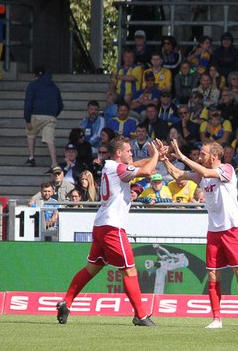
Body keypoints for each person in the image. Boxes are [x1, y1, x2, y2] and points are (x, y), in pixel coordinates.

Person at [56, 137, 160, 327]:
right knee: (129, 270)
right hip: (113, 227)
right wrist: (156, 155)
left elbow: (138, 165)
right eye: (128, 151)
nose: (131, 153)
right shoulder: (117, 168)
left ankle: (67, 301)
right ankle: (141, 315)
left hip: (101, 225)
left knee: (91, 269)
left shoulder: (110, 166)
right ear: (119, 153)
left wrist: (156, 158)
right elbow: (145, 170)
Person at [162, 139, 238, 330]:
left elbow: (206, 172)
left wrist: (182, 156)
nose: (200, 157)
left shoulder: (226, 169)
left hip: (231, 230)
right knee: (213, 276)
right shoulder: (202, 175)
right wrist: (164, 158)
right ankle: (216, 318)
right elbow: (177, 174)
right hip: (214, 232)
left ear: (214, 156)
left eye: (203, 154)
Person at [24, 66, 63, 168]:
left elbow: (28, 103)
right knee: (50, 140)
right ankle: (54, 163)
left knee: (31, 134)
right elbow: (60, 105)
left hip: (36, 115)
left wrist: (27, 119)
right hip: (50, 117)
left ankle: (31, 157)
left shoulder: (32, 85)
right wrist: (53, 113)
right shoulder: (54, 87)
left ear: (35, 75)